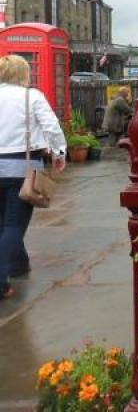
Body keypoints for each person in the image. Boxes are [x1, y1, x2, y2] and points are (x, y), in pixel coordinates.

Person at [0, 55, 67, 300]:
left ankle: (18, 265)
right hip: (22, 168)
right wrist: (59, 153)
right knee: (13, 225)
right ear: (23, 74)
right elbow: (51, 127)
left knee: (3, 224)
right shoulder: (32, 96)